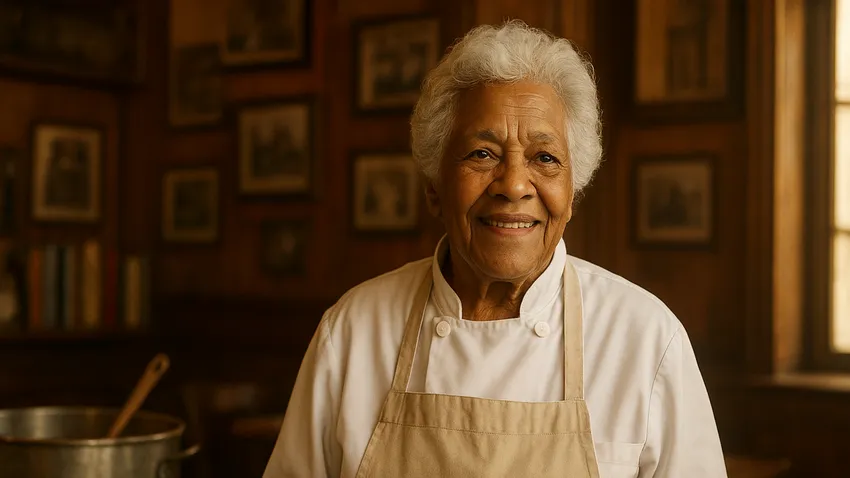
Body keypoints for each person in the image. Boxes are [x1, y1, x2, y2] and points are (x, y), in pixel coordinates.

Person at [263, 21, 727, 478]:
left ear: (572, 193)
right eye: (482, 154)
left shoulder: (646, 339)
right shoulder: (352, 332)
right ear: (434, 187)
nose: (514, 185)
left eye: (545, 158)